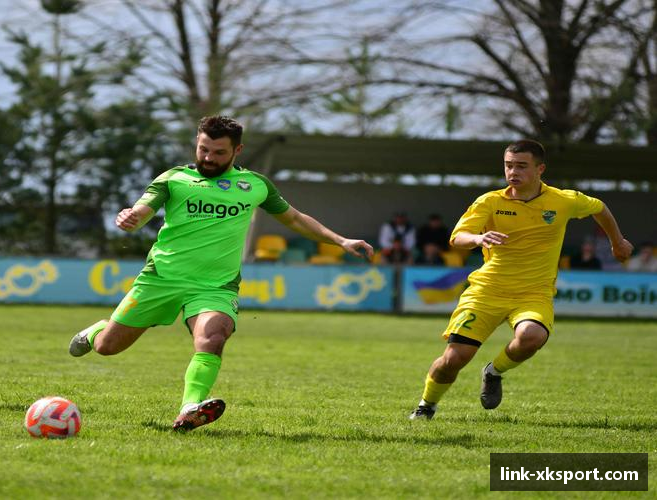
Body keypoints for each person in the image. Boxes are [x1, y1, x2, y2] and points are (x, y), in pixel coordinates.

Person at [67, 116, 374, 431]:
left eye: (218, 152)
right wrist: (131, 218)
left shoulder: (255, 185)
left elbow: (294, 219)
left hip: (215, 286)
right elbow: (142, 211)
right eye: (203, 149)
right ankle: (97, 331)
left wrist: (340, 240)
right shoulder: (174, 178)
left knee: (213, 336)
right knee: (107, 347)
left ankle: (190, 407)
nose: (208, 158)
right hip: (161, 279)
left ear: (237, 150)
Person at [408, 139, 632, 420]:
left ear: (540, 169)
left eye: (521, 166)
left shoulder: (563, 201)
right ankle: (426, 405)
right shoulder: (490, 201)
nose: (513, 172)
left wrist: (617, 242)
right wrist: (478, 238)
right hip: (487, 291)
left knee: (531, 336)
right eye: (508, 165)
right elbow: (457, 237)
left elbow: (599, 207)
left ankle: (494, 371)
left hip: (533, 293)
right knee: (453, 359)